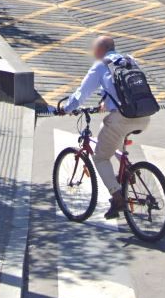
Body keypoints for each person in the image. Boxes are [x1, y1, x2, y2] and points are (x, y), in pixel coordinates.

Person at [58, 35, 155, 219]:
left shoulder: (101, 65)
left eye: (94, 48)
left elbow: (81, 94)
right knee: (110, 130)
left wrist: (66, 109)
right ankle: (127, 171)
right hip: (144, 115)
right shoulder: (129, 60)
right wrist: (106, 103)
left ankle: (117, 198)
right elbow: (125, 89)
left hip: (122, 119)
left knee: (100, 157)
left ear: (100, 50)